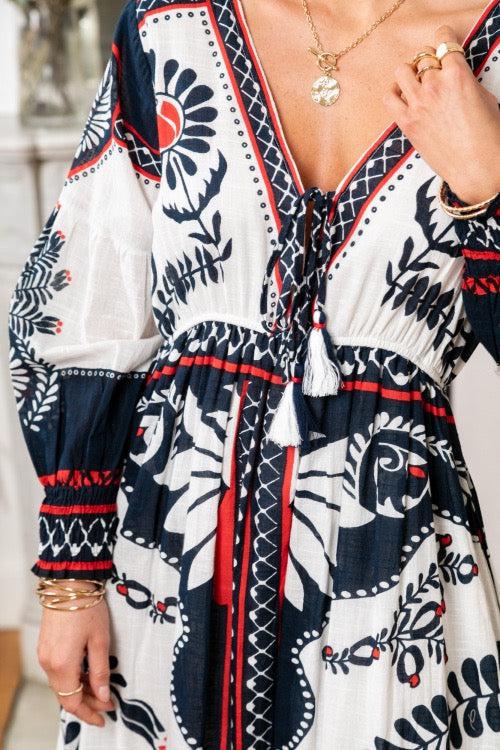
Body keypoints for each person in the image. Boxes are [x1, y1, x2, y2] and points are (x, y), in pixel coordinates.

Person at [8, 0, 500, 747]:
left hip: (393, 590)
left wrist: (489, 179)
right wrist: (70, 576)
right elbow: (92, 301)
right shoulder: (169, 24)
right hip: (165, 559)